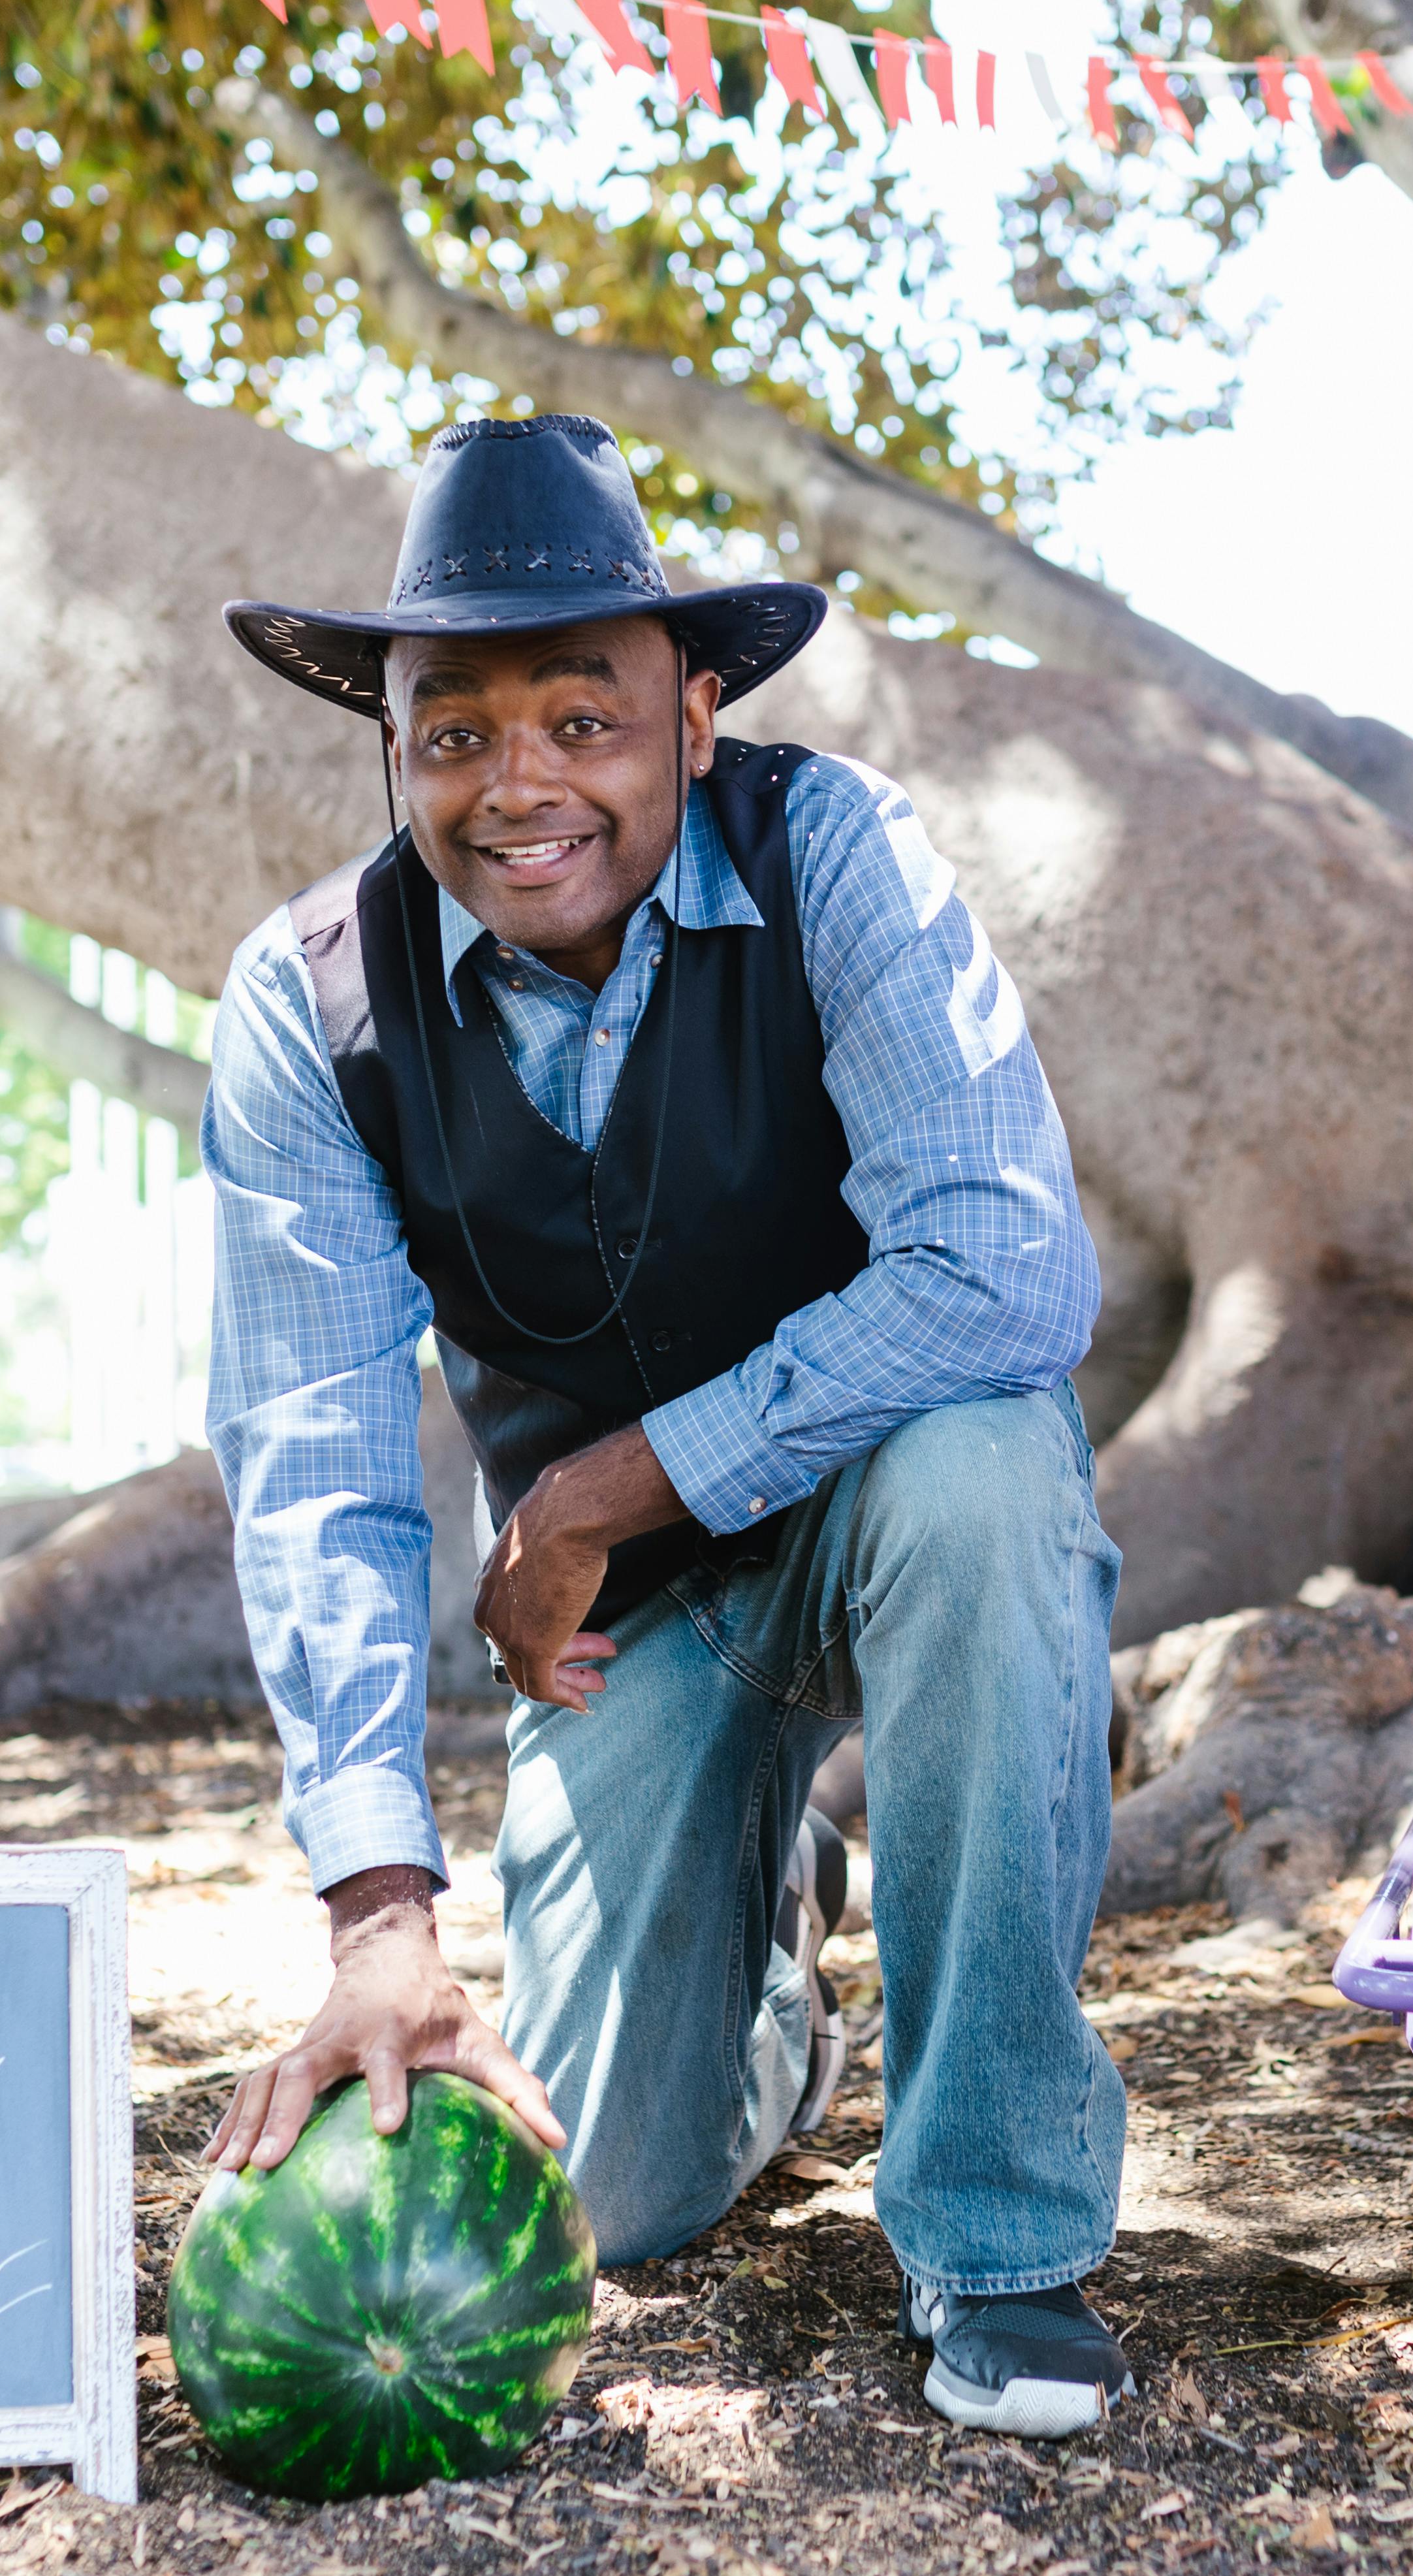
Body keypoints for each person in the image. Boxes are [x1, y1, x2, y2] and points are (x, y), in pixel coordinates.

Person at [191, 413, 1135, 2437]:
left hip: (881, 1510)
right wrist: (377, 1916)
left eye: (580, 717)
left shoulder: (843, 857)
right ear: (392, 751)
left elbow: (1003, 1271)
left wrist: (601, 1490)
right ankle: (777, 1989)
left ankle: (1003, 2242)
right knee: (610, 2198)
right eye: (452, 730)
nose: (518, 785)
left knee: (986, 1467)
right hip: (642, 1634)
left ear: (693, 720)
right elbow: (316, 1462)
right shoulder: (309, 1009)